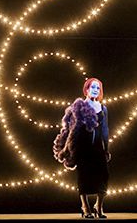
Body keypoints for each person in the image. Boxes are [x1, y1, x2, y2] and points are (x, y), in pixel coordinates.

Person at [53, 77, 110, 219]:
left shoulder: (103, 108)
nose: (95, 90)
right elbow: (72, 128)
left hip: (98, 147)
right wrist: (69, 147)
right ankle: (85, 207)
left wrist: (106, 148)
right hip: (83, 147)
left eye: (98, 87)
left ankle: (99, 206)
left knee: (104, 175)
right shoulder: (79, 107)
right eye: (92, 87)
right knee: (84, 176)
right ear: (86, 89)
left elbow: (105, 129)